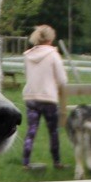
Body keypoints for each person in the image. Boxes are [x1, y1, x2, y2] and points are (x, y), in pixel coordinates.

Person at [21, 24, 68, 169]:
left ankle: (25, 162)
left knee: (31, 130)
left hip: (31, 97)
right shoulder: (53, 55)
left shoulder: (28, 55)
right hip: (48, 98)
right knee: (53, 131)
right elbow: (62, 80)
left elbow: (26, 74)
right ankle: (56, 161)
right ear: (50, 38)